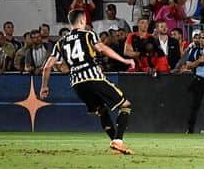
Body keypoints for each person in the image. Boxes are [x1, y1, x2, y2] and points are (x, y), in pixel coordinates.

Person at [40, 8, 137, 155]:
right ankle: (118, 140)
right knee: (125, 105)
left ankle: (116, 144)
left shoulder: (60, 42)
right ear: (82, 21)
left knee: (101, 110)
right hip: (92, 77)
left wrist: (44, 87)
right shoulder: (88, 34)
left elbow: (47, 67)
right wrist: (124, 60)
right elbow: (102, 48)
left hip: (77, 84)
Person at [179, 30, 204, 134]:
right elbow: (188, 65)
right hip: (199, 80)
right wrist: (199, 61)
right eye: (202, 38)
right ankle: (190, 128)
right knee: (194, 105)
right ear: (199, 39)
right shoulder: (194, 51)